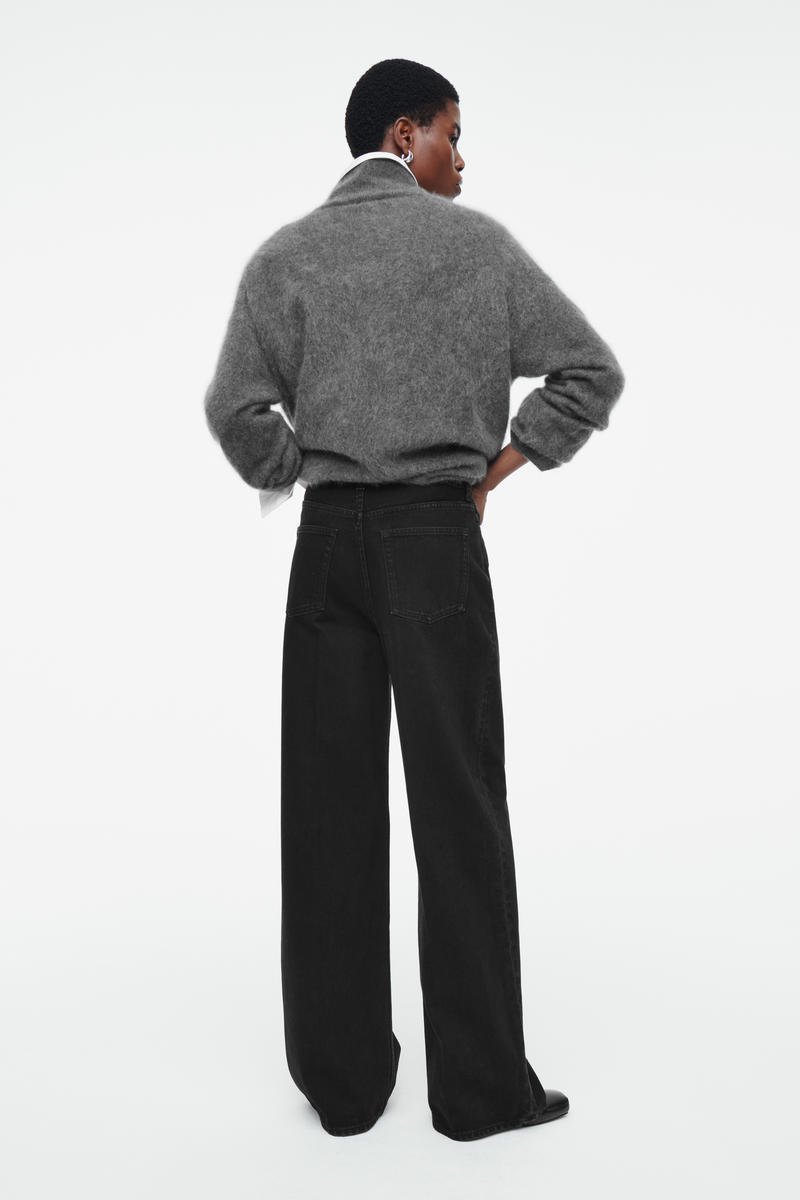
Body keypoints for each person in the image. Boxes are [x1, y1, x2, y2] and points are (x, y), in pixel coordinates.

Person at [203, 57, 625, 1142]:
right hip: (435, 542)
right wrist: (495, 470)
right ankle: (479, 1092)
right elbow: (589, 372)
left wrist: (301, 467)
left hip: (327, 546)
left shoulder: (286, 254)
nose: (461, 157)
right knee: (458, 805)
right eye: (450, 132)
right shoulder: (476, 247)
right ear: (402, 133)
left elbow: (235, 406)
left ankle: (343, 1087)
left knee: (326, 809)